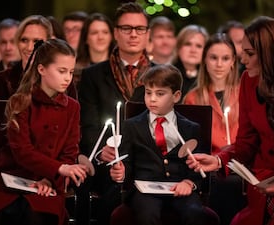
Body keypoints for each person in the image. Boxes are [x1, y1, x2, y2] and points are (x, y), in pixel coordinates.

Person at [186, 16, 274, 225]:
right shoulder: (248, 81)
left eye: (250, 54)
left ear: (270, 55)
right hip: (264, 179)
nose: (242, 60)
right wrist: (219, 160)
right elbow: (246, 142)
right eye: (242, 51)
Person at [0, 38, 88, 225]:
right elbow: (22, 151)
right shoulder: (20, 101)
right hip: (12, 176)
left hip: (49, 181)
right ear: (42, 69)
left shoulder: (72, 107)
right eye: (62, 71)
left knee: (38, 214)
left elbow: (70, 152)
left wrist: (50, 178)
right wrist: (59, 168)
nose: (68, 78)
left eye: (70, 72)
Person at [110, 64, 216, 225]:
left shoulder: (191, 128)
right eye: (148, 93)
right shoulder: (132, 126)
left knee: (194, 213)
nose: (152, 99)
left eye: (160, 94)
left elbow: (198, 166)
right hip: (144, 192)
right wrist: (121, 172)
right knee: (147, 213)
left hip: (180, 188)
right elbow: (126, 161)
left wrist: (189, 183)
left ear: (176, 96)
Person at [77, 2, 152, 225]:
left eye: (140, 29)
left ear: (147, 34)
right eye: (126, 28)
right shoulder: (93, 75)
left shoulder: (161, 75)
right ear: (116, 33)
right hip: (107, 162)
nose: (133, 35)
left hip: (147, 163)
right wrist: (101, 150)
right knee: (111, 198)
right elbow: (88, 124)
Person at [183, 33, 245, 225]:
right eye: (213, 57)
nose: (219, 64)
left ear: (233, 62)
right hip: (208, 167)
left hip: (241, 165)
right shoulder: (193, 98)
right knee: (221, 185)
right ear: (205, 60)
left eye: (225, 58)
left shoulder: (244, 93)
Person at [74, 12, 114, 90]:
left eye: (105, 32)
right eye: (94, 33)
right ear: (86, 38)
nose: (100, 37)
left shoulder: (119, 69)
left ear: (111, 37)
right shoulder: (74, 71)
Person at [172, 24, 209, 101]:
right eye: (188, 44)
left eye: (198, 46)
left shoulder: (210, 78)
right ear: (179, 48)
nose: (193, 50)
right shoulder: (166, 75)